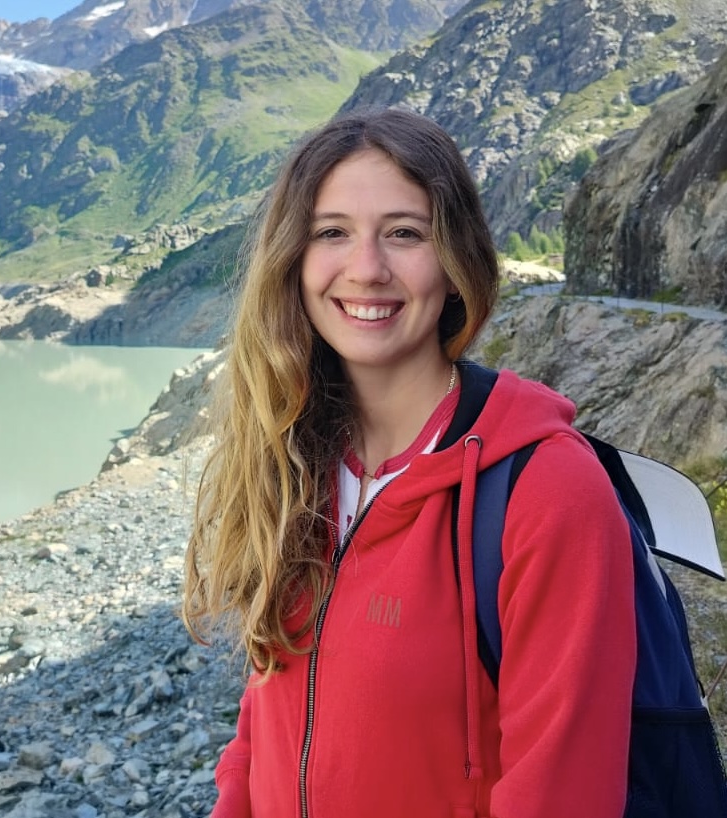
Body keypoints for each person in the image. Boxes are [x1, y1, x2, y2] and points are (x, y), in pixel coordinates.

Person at [183, 107, 636, 818]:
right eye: (331, 232)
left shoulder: (547, 491)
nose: (367, 269)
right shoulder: (294, 459)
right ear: (292, 262)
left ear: (456, 265)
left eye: (405, 233)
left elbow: (562, 791)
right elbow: (267, 712)